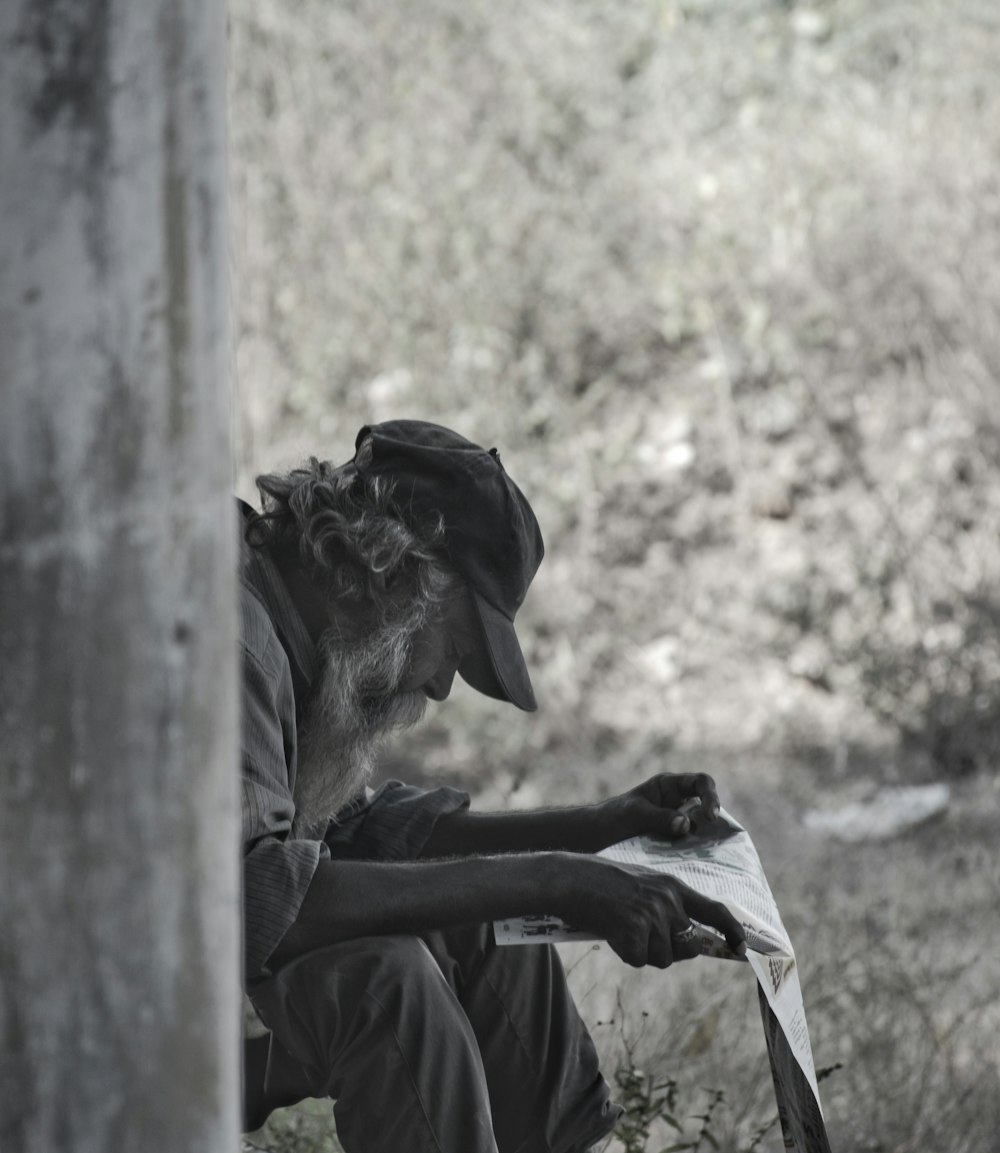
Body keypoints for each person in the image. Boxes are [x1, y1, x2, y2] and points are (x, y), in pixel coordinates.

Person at [239, 419, 746, 1153]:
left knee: (486, 924)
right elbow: (259, 900)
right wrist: (550, 880)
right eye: (452, 647)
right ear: (391, 570)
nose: (442, 684)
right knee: (389, 986)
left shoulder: (287, 629)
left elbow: (357, 832)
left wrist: (597, 828)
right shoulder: (230, 640)